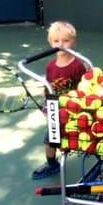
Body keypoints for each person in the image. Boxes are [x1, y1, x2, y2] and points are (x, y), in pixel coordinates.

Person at [32, 21, 86, 180]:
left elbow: (84, 88)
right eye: (56, 41)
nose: (61, 44)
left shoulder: (77, 65)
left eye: (66, 41)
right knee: (50, 140)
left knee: (88, 138)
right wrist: (47, 106)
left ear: (73, 42)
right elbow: (48, 88)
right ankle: (52, 164)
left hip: (75, 111)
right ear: (50, 42)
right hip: (56, 111)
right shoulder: (50, 66)